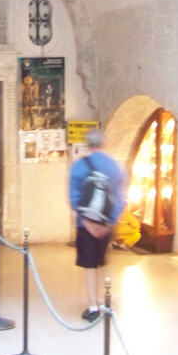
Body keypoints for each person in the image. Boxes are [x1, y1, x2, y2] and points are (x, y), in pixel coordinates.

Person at [69, 128, 125, 321]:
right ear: (103, 143)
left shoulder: (79, 166)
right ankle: (103, 299)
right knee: (101, 262)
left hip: (85, 224)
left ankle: (93, 307)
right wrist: (110, 222)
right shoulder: (113, 166)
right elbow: (120, 197)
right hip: (105, 222)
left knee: (89, 266)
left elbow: (74, 196)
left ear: (87, 144)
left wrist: (86, 221)